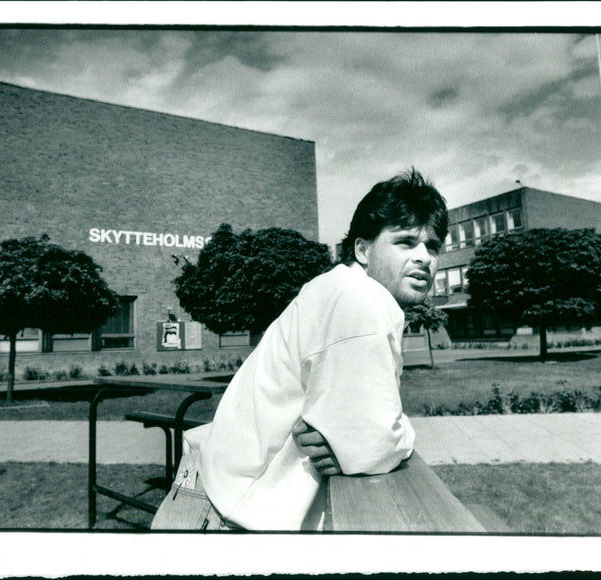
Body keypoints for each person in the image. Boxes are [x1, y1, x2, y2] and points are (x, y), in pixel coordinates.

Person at [151, 167, 449, 531]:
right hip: (223, 517)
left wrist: (361, 433)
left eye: (433, 246)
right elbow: (371, 444)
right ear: (362, 249)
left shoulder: (338, 289)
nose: (424, 258)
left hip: (208, 494)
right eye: (405, 241)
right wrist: (392, 435)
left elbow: (361, 432)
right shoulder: (358, 298)